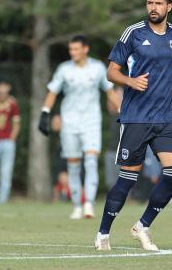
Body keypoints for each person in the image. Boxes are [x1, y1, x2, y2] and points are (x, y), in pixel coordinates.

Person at [95, 0, 172, 251]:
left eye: (158, 3)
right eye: (150, 3)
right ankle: (103, 233)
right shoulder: (133, 33)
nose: (153, 8)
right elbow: (111, 72)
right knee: (128, 178)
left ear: (169, 7)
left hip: (165, 119)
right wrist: (130, 81)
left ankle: (142, 226)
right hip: (136, 117)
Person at [38, 35, 120, 219]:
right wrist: (45, 112)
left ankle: (89, 204)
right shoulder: (64, 69)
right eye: (70, 49)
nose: (72, 52)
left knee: (91, 161)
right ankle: (76, 205)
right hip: (70, 122)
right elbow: (53, 92)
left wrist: (122, 112)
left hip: (91, 121)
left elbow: (110, 92)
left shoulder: (98, 68)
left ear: (85, 49)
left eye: (76, 49)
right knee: (73, 166)